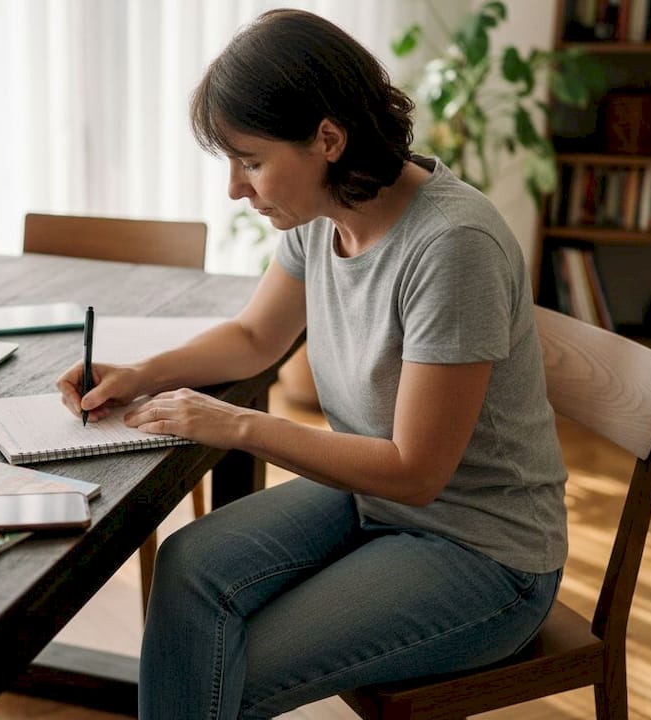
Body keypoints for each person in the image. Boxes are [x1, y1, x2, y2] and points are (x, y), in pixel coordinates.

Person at [56, 8, 567, 719]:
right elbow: (255, 337)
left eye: (251, 160)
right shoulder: (324, 215)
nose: (236, 188)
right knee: (188, 566)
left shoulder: (453, 247)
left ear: (328, 138)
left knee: (207, 673)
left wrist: (237, 425)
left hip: (482, 551)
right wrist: (140, 373)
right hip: (373, 499)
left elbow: (418, 472)